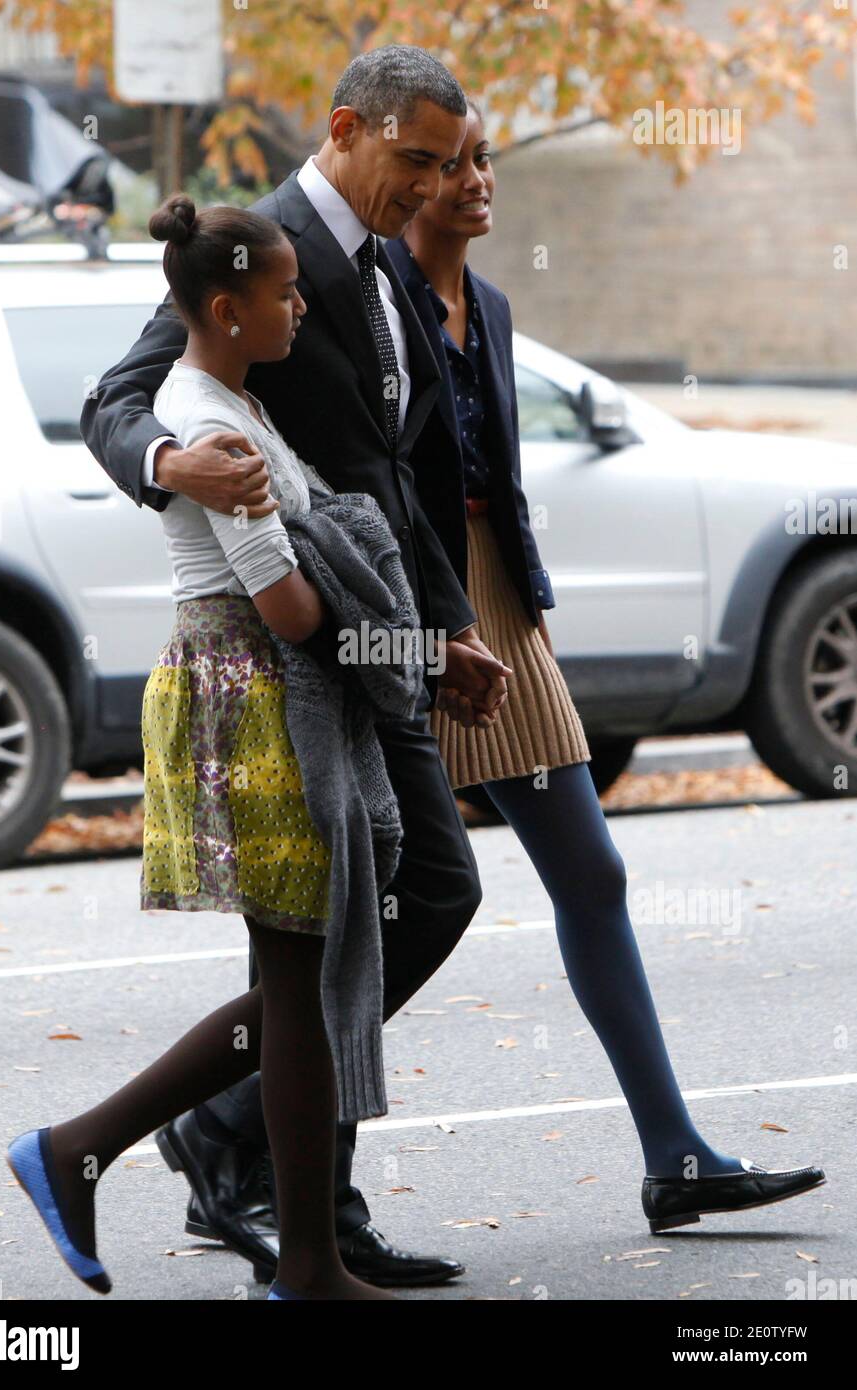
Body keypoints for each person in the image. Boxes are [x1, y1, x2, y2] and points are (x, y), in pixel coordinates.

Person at [79, 46, 510, 1287]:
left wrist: (448, 623)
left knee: (413, 899)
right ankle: (270, 1174)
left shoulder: (380, 270)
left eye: (447, 162)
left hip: (379, 645)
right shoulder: (252, 247)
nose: (432, 185)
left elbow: (399, 468)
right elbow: (118, 400)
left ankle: (251, 1154)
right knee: (404, 901)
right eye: (414, 160)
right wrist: (174, 465)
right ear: (345, 129)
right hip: (301, 656)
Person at [382, 99, 826, 1234]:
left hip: (500, 609)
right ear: (407, 179)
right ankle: (242, 1131)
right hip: (407, 620)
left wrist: (519, 603)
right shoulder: (368, 296)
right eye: (454, 165)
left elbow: (498, 482)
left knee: (592, 875)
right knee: (383, 906)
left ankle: (672, 1153)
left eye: (483, 160)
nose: (479, 180)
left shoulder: (487, 303)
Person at [6, 194, 412, 1301]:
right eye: (284, 294)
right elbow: (284, 604)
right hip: (256, 701)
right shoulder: (211, 425)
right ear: (227, 308)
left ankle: (78, 1152)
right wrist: (391, 634)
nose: (299, 307)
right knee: (295, 991)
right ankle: (307, 1267)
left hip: (263, 696)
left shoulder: (235, 397)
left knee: (297, 988)